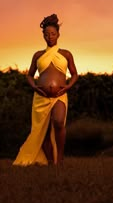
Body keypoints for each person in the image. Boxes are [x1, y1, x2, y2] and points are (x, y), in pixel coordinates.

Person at [13, 14, 78, 166]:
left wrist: (68, 86)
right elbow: (29, 75)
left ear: (58, 35)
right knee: (42, 130)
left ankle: (59, 159)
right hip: (40, 96)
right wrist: (35, 87)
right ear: (43, 36)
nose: (50, 37)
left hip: (60, 95)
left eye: (53, 34)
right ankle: (50, 162)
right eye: (47, 34)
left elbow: (74, 74)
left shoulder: (66, 54)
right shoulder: (38, 55)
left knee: (59, 122)